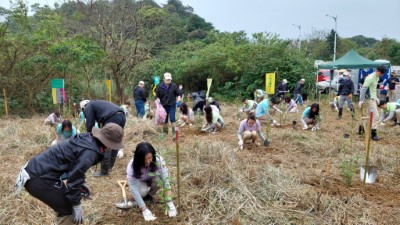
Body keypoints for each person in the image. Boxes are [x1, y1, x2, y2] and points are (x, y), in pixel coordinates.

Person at [15, 123, 124, 225]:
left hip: (38, 170)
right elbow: (74, 177)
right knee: (68, 210)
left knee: (66, 205)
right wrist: (76, 204)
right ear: (108, 142)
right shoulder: (90, 152)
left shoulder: (88, 139)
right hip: (39, 177)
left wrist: (81, 184)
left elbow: (75, 167)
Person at [126, 142, 177, 222]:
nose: (147, 161)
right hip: (141, 181)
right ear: (139, 158)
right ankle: (142, 199)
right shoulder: (132, 166)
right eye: (144, 159)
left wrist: (169, 202)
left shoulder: (158, 160)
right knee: (141, 192)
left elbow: (165, 180)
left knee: (159, 181)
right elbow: (134, 189)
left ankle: (149, 196)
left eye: (149, 158)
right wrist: (144, 210)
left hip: (153, 178)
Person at [80, 100, 126, 176]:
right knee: (116, 141)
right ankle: (110, 166)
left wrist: (88, 138)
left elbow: (90, 124)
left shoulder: (88, 107)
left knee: (104, 142)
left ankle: (104, 171)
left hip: (112, 117)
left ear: (83, 108)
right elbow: (100, 125)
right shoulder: (97, 105)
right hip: (122, 116)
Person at [359, 66, 387, 141]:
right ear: (377, 71)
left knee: (370, 115)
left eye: (382, 74)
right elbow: (363, 89)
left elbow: (373, 88)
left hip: (373, 98)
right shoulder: (370, 78)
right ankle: (373, 134)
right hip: (370, 99)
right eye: (381, 73)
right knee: (376, 116)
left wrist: (376, 97)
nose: (381, 75)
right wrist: (361, 100)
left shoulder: (376, 77)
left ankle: (361, 129)